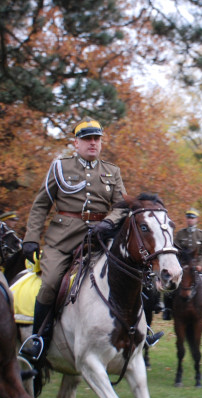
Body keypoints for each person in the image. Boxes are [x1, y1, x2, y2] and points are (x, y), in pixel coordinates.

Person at [19, 118, 161, 365]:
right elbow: (41, 205)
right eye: (87, 139)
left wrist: (108, 222)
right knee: (51, 283)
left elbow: (121, 206)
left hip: (99, 242)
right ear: (76, 143)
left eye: (96, 139)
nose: (92, 143)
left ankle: (140, 331)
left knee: (131, 276)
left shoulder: (112, 171)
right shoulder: (60, 168)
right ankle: (38, 339)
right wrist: (31, 238)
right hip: (62, 243)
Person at [164, 208, 202, 320]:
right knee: (168, 281)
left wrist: (201, 265)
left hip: (197, 265)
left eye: (192, 218)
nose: (190, 220)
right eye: (188, 217)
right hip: (182, 265)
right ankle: (167, 308)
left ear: (196, 219)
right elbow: (175, 249)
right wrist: (177, 264)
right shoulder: (180, 233)